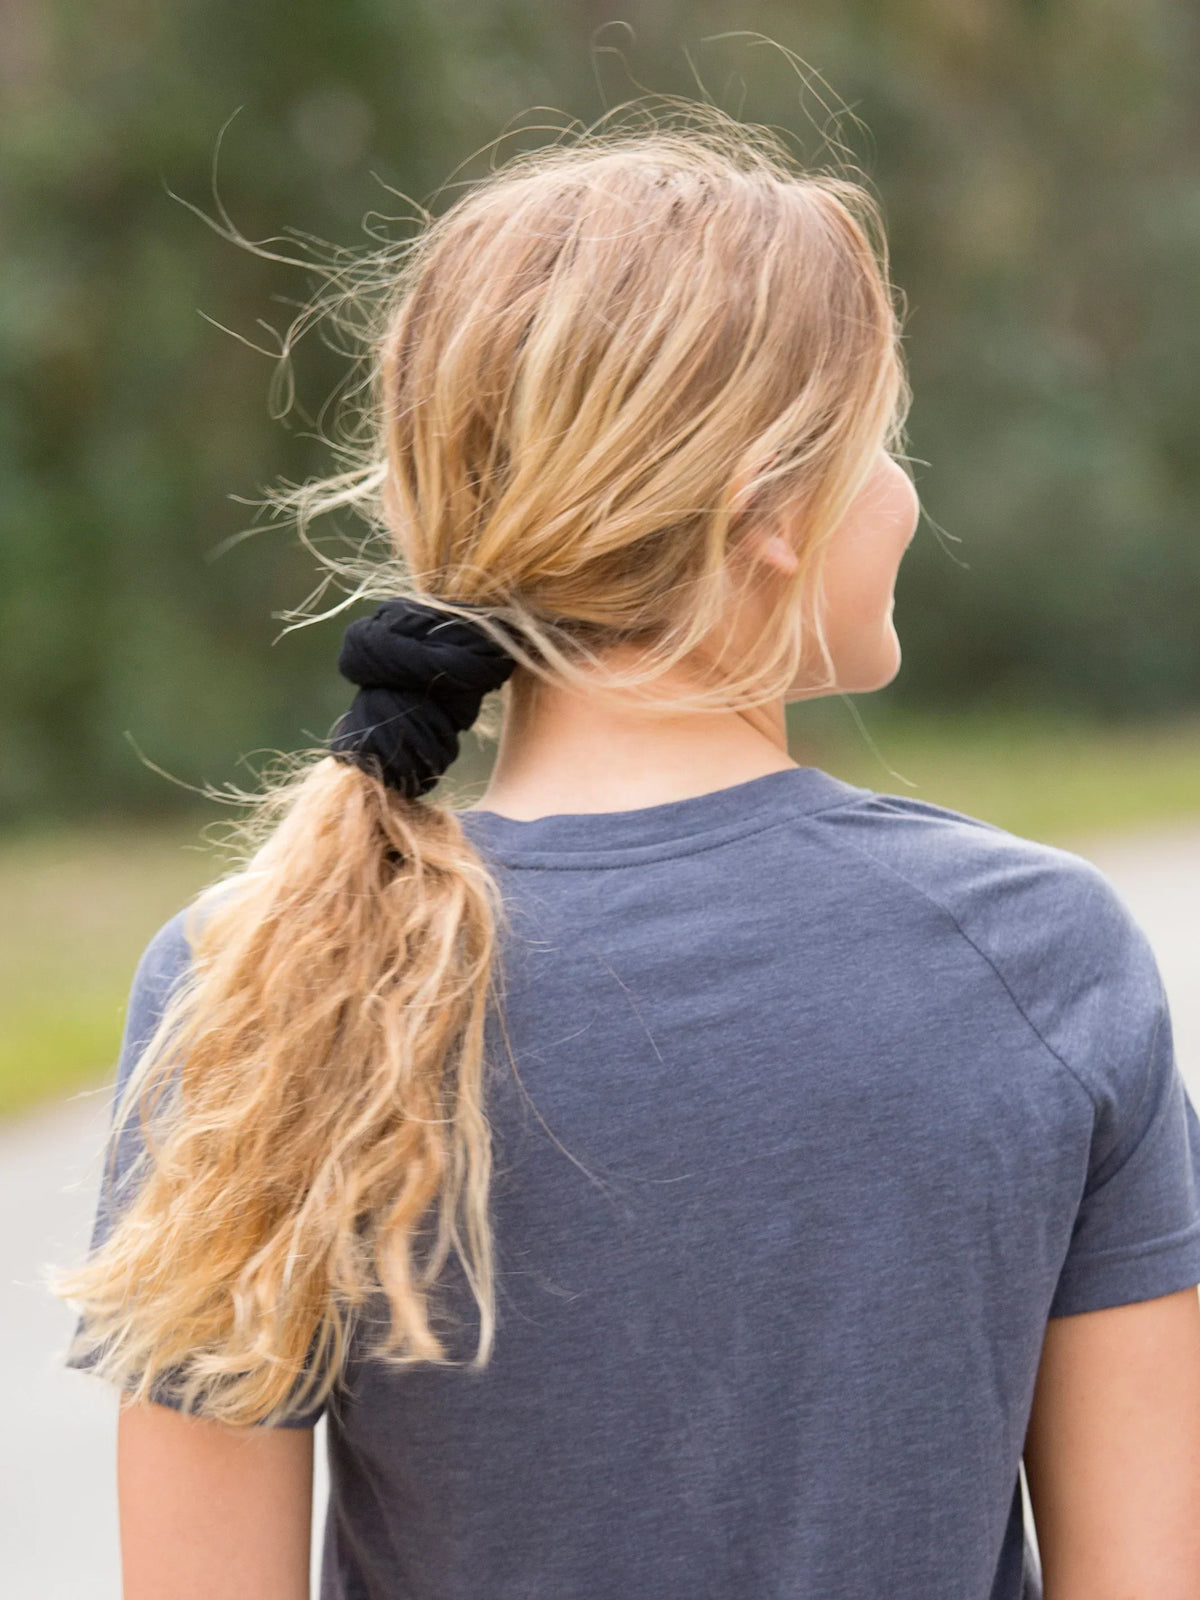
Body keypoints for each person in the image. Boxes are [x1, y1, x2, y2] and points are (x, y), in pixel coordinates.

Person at [55, 110, 1200, 1600]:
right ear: (769, 514)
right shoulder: (1038, 963)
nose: (907, 497)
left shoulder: (257, 978)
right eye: (884, 442)